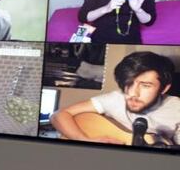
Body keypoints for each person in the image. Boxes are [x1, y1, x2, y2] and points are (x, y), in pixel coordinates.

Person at [51, 51, 180, 147]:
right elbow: (59, 115)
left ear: (164, 89)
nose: (133, 93)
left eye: (145, 86)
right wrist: (85, 140)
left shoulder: (176, 109)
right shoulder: (116, 98)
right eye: (128, 84)